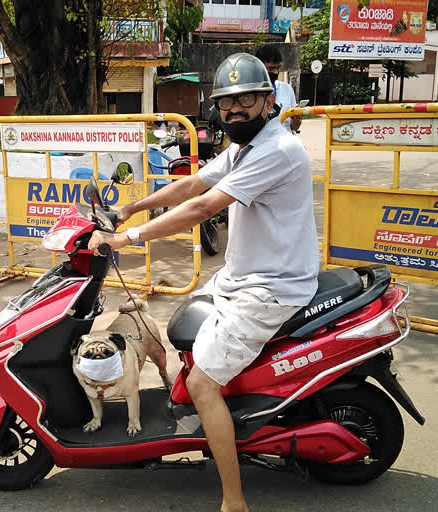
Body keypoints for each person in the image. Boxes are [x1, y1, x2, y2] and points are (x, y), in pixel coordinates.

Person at [88, 53, 319, 512]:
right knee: (180, 329)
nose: (235, 111)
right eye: (226, 103)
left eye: (246, 100)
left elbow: (201, 209)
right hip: (242, 276)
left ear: (269, 102)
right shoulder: (244, 148)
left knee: (201, 385)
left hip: (271, 288)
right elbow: (191, 185)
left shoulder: (277, 149)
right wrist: (129, 208)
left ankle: (234, 501)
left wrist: (124, 237)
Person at [255, 45, 301, 133]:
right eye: (271, 68)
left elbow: (294, 128)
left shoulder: (287, 89)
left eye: (278, 68)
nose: (276, 72)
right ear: (259, 68)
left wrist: (296, 121)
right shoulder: (251, 92)